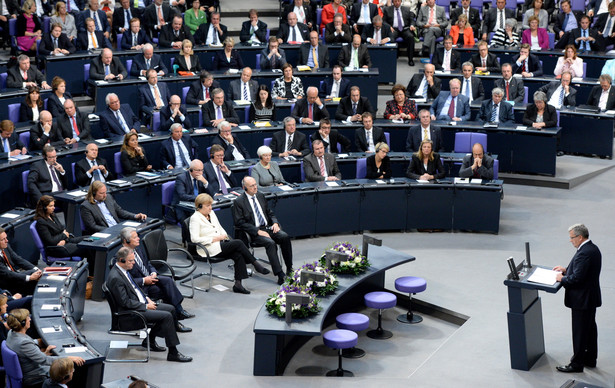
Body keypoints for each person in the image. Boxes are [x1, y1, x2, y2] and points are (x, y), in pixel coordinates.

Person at [107, 247, 192, 362]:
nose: (133, 263)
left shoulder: (123, 270)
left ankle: (150, 340)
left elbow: (135, 288)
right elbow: (125, 302)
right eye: (131, 261)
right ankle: (173, 353)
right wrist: (145, 306)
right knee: (166, 317)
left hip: (140, 303)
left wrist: (147, 298)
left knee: (171, 309)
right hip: (130, 314)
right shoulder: (115, 278)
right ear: (122, 260)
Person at [190, 194, 270, 294]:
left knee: (238, 254)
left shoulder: (212, 213)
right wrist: (214, 239)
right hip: (208, 248)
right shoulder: (195, 218)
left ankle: (238, 285)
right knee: (238, 243)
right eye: (208, 206)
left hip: (220, 244)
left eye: (211, 205)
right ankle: (256, 264)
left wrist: (224, 235)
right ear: (200, 206)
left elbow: (219, 227)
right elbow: (194, 239)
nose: (211, 207)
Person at [553, 224, 601, 374]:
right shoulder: (592, 249)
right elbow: (583, 271)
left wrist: (563, 278)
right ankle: (590, 359)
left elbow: (577, 279)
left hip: (582, 300)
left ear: (580, 237)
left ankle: (577, 364)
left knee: (580, 332)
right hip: (590, 298)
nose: (570, 240)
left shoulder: (584, 253)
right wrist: (567, 270)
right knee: (590, 329)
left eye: (572, 237)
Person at [120, 227, 194, 319]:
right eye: (135, 237)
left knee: (168, 281)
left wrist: (153, 272)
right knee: (164, 290)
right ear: (126, 241)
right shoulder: (122, 258)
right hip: (140, 286)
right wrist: (144, 280)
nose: (138, 238)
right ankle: (174, 314)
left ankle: (178, 311)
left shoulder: (137, 249)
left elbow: (148, 263)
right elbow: (126, 281)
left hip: (150, 278)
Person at [233, 176, 294, 285]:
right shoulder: (239, 202)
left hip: (267, 228)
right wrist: (257, 231)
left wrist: (275, 223)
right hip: (253, 232)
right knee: (270, 243)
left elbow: (269, 213)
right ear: (244, 188)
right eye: (251, 186)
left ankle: (289, 268)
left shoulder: (260, 196)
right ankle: (280, 274)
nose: (255, 187)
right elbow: (239, 223)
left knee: (284, 237)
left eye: (255, 184)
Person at [6, 309, 85, 386]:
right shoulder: (23, 343)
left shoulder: (12, 333)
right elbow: (45, 360)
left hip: (31, 368)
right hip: (35, 377)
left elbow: (27, 355)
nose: (30, 319)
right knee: (72, 367)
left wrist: (44, 353)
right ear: (23, 323)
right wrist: (69, 358)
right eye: (27, 318)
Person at [80, 181, 147, 234]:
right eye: (102, 193)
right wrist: (112, 230)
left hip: (117, 228)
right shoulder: (86, 206)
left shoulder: (108, 197)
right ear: (94, 193)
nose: (105, 195)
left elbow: (120, 212)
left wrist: (135, 216)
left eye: (105, 192)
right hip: (105, 233)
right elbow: (92, 226)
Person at [0, 228, 41, 296]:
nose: (7, 241)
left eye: (6, 238)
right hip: (7, 283)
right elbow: (8, 274)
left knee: (36, 273)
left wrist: (36, 269)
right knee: (32, 278)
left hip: (14, 276)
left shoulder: (5, 246)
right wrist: (30, 277)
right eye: (3, 239)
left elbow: (18, 259)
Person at [172, 159, 210, 223]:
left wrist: (205, 182)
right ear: (190, 170)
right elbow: (182, 196)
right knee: (194, 222)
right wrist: (199, 198)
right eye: (198, 170)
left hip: (198, 205)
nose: (201, 173)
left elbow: (210, 193)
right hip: (182, 207)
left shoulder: (202, 176)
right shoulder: (181, 178)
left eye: (202, 170)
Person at [383, 0, 417, 65]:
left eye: (398, 1)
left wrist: (412, 25)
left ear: (401, 1)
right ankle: (392, 57)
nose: (397, 3)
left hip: (405, 28)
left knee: (410, 37)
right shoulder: (387, 9)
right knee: (390, 37)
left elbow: (412, 20)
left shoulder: (406, 9)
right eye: (395, 1)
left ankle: (410, 59)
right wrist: (389, 26)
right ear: (393, 2)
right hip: (394, 29)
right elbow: (384, 21)